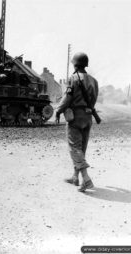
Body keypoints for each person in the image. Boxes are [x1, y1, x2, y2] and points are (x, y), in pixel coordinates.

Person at [55, 52, 99, 192]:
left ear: (75, 64)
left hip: (75, 117)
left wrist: (58, 111)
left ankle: (85, 179)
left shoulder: (73, 78)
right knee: (82, 148)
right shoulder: (94, 80)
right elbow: (94, 100)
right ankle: (75, 177)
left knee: (75, 148)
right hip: (88, 117)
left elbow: (67, 98)